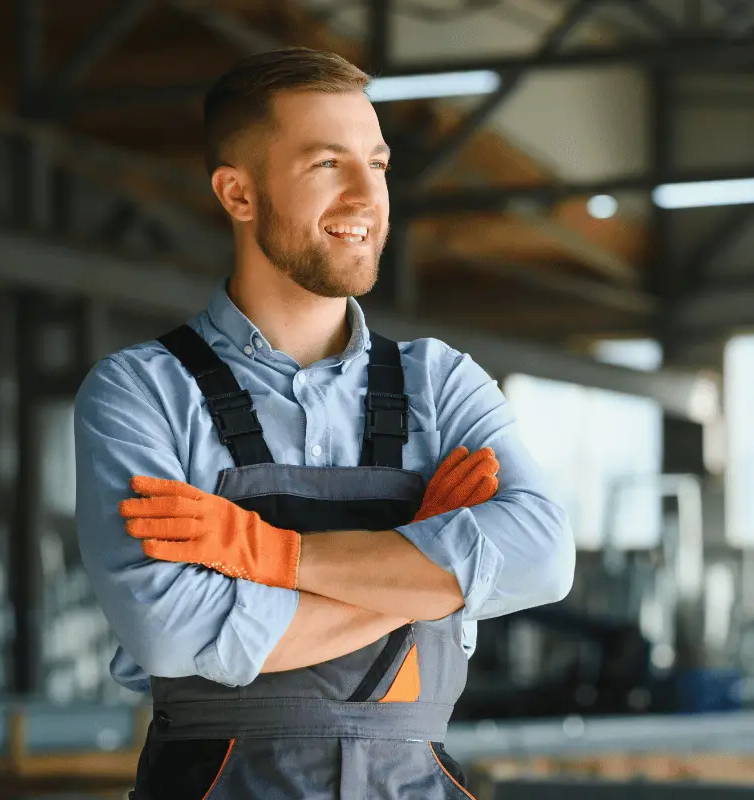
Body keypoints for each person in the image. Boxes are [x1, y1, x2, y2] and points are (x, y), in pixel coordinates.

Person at [73, 46, 575, 800]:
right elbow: (172, 632)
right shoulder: (140, 393)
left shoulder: (441, 384)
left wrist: (273, 556)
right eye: (326, 165)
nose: (366, 195)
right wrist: (425, 567)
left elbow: (542, 558)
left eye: (377, 164)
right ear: (238, 194)